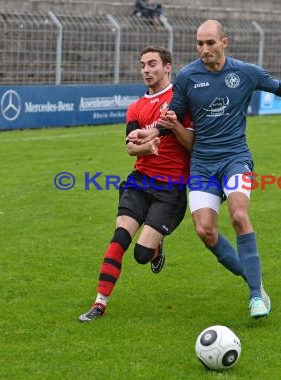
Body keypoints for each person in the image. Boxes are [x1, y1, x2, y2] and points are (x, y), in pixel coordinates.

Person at [129, 20, 281, 319]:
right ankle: (255, 281)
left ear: (224, 42)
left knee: (239, 215)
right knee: (205, 230)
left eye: (210, 43)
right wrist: (152, 134)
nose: (204, 49)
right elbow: (172, 119)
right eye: (199, 43)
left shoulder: (245, 72)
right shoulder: (187, 77)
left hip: (235, 158)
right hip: (202, 163)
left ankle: (254, 296)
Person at [78, 46, 194, 322]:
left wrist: (169, 132)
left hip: (171, 188)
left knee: (141, 254)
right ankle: (99, 303)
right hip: (140, 181)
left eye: (152, 64)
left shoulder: (182, 100)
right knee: (120, 237)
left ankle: (155, 247)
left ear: (167, 67)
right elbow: (130, 148)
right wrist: (147, 147)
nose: (146, 69)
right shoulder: (136, 108)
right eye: (143, 64)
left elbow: (191, 143)